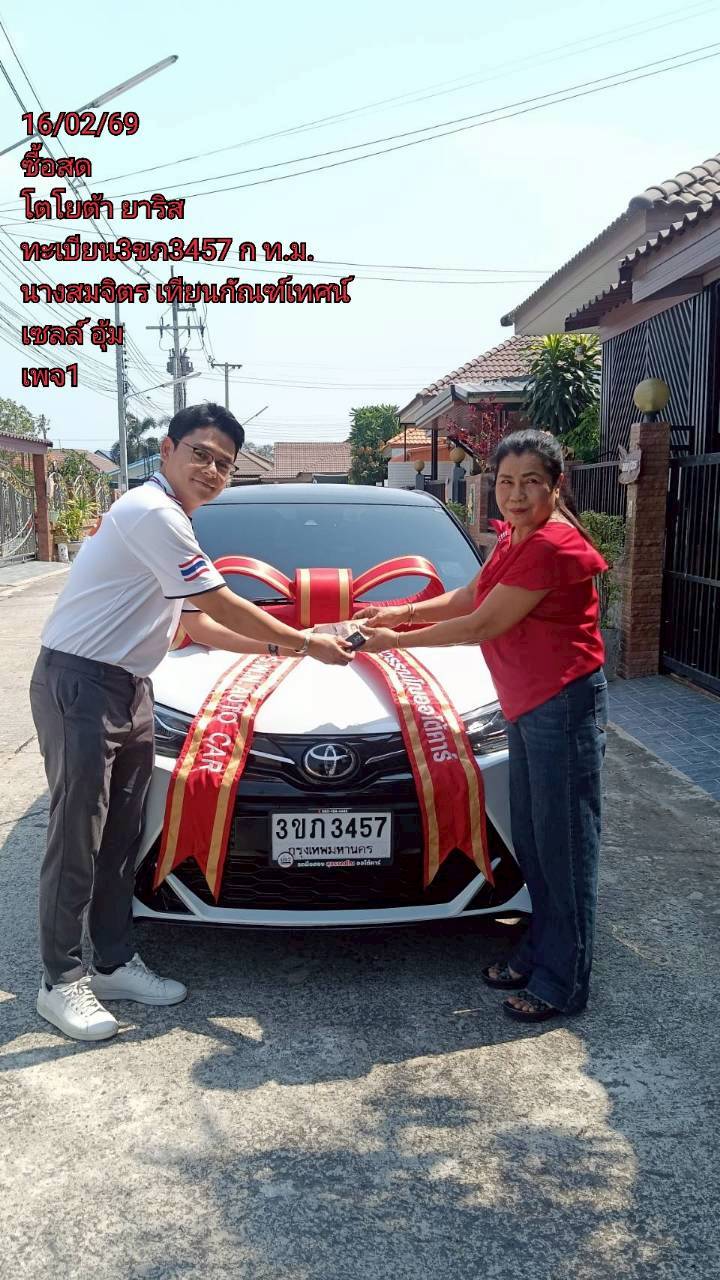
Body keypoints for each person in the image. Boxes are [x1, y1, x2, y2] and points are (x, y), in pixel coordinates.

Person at [30, 402, 352, 1043]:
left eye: (224, 464)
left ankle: (113, 964)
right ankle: (59, 980)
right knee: (78, 835)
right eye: (201, 454)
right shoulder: (152, 512)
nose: (211, 470)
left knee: (122, 836)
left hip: (129, 687)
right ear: (168, 449)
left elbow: (195, 625)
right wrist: (305, 641)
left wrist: (281, 649)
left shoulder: (173, 518)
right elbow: (215, 601)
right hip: (81, 685)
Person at [356, 429, 609, 1023]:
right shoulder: (516, 535)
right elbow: (473, 594)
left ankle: (564, 980)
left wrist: (396, 640)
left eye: (531, 483)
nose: (516, 495)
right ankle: (539, 951)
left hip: (560, 705)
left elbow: (482, 624)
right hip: (524, 703)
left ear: (556, 485)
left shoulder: (552, 544)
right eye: (506, 482)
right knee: (534, 841)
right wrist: (400, 610)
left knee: (565, 847)